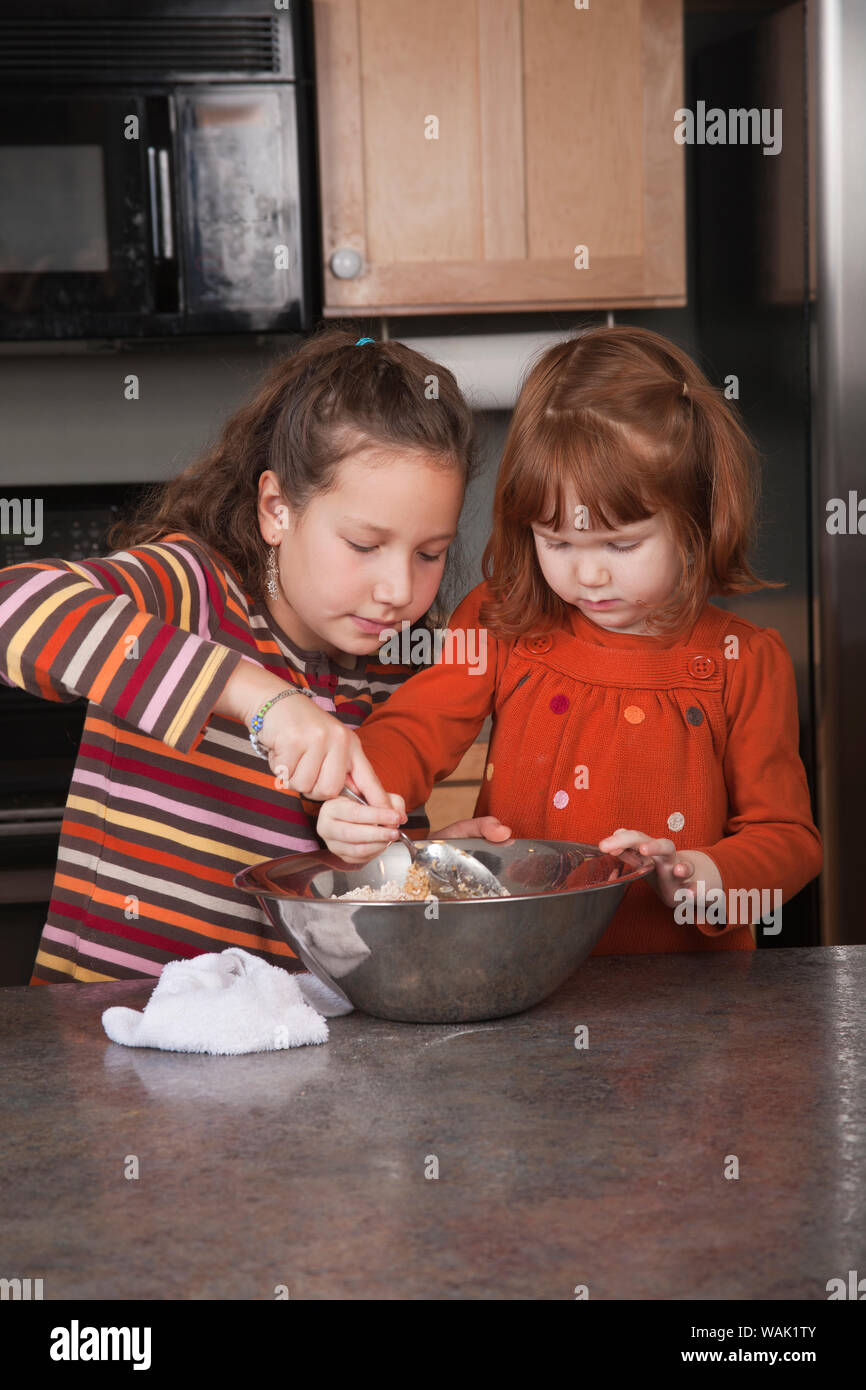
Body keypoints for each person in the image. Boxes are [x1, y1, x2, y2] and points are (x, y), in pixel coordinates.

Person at [0, 328, 500, 984]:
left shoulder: (397, 661)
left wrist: (416, 864)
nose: (399, 590)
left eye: (429, 554)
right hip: (113, 1030)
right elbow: (17, 606)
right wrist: (263, 700)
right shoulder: (190, 590)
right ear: (277, 511)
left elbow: (344, 883)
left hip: (280, 1041)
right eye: (363, 544)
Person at [317, 324, 823, 954]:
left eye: (623, 543)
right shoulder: (503, 621)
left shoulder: (742, 661)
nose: (588, 575)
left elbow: (788, 838)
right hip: (523, 977)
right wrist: (364, 795)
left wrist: (708, 875)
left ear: (698, 519)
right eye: (557, 541)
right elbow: (416, 731)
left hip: (693, 1004)